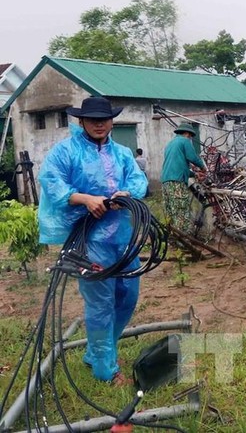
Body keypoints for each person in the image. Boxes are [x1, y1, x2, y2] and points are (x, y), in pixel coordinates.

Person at [38, 97, 148, 385]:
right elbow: (51, 182)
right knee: (100, 303)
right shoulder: (65, 152)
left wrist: (127, 194)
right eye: (93, 119)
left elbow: (138, 181)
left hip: (123, 238)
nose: (99, 124)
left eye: (104, 118)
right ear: (81, 121)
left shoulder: (123, 154)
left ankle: (100, 351)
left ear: (112, 121)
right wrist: (85, 199)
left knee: (127, 296)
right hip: (90, 242)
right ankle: (105, 369)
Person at [161, 123, 207, 234]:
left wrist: (195, 175)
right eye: (190, 136)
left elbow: (179, 167)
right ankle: (183, 240)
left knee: (171, 211)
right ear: (186, 133)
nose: (190, 138)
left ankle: (173, 236)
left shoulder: (170, 144)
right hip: (177, 182)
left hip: (166, 182)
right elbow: (193, 157)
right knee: (181, 211)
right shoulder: (184, 141)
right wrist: (203, 167)